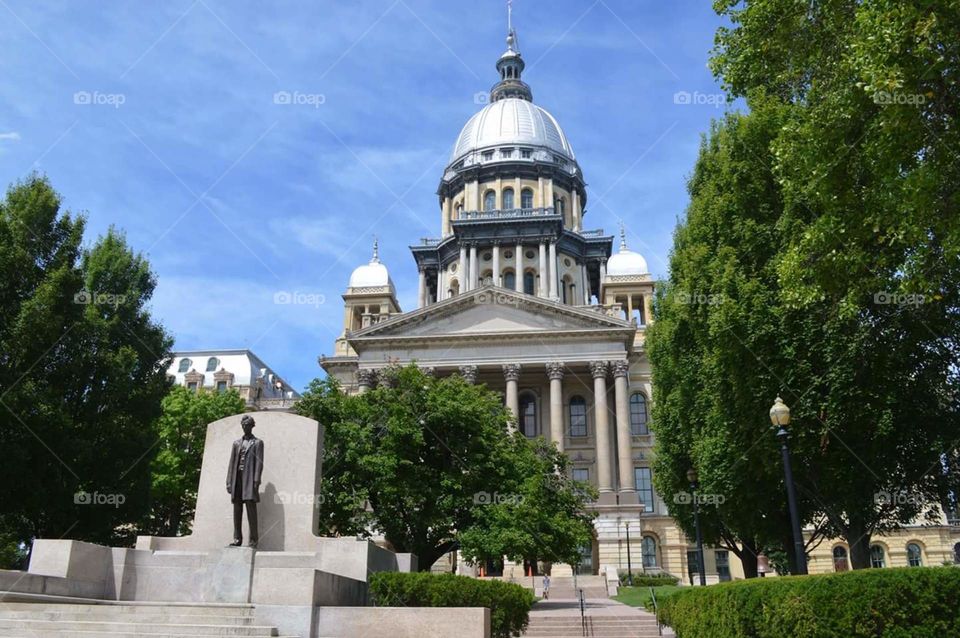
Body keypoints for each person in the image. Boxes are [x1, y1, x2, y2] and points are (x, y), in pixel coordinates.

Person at [226, 415, 264, 548]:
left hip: (249, 480)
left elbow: (259, 463)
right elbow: (231, 463)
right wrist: (229, 482)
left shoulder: (258, 443)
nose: (245, 427)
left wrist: (256, 481)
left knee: (251, 511)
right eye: (243, 425)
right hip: (237, 479)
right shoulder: (236, 443)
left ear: (252, 426)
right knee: (237, 510)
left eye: (247, 425)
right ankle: (237, 539)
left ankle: (253, 540)